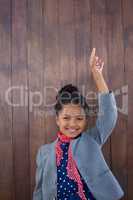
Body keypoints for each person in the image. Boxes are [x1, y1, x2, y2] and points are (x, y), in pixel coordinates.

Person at [33, 48, 124, 200]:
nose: (73, 124)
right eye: (66, 118)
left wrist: (97, 75)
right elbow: (39, 192)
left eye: (79, 119)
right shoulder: (44, 153)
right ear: (57, 119)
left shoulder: (91, 140)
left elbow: (109, 117)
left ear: (86, 120)